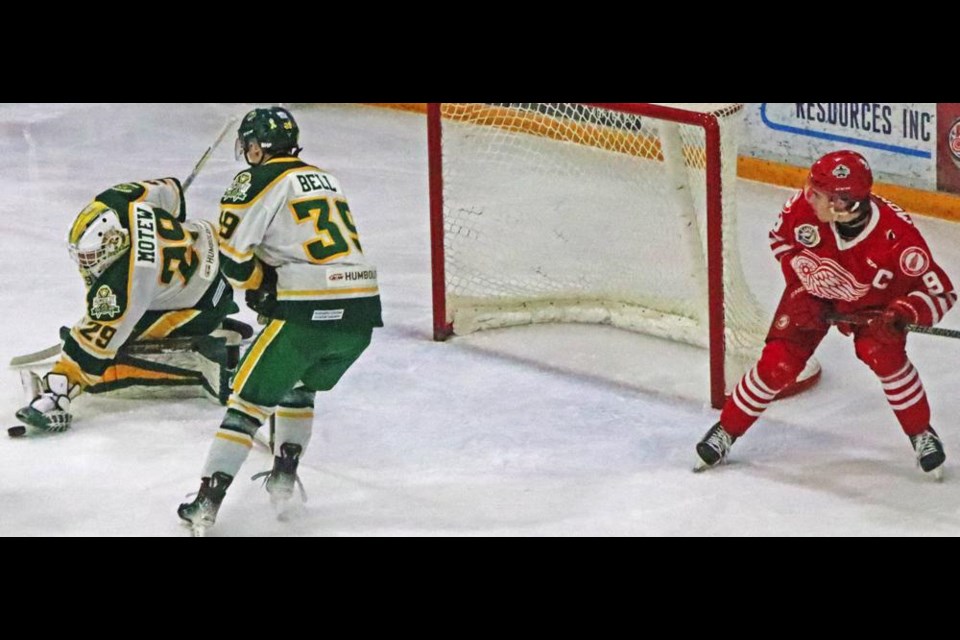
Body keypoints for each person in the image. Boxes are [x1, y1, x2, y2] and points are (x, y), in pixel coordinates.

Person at [177, 106, 383, 535]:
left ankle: (205, 504)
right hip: (362, 311)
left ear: (255, 147)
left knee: (246, 405)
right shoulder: (326, 177)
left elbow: (234, 260)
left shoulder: (255, 179)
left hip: (307, 309)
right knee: (298, 386)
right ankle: (284, 481)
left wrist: (260, 281)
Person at [695, 150, 957, 477]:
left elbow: (941, 292)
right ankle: (726, 430)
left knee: (882, 354)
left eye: (820, 194)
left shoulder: (898, 240)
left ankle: (921, 434)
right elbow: (781, 240)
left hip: (872, 307)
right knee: (778, 363)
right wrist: (802, 282)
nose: (809, 197)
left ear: (844, 205)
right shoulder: (801, 211)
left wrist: (906, 311)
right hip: (812, 292)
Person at [15, 178, 241, 434]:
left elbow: (93, 350)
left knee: (115, 351)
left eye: (90, 258)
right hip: (210, 248)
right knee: (125, 317)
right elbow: (172, 192)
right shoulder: (117, 201)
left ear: (114, 243)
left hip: (204, 304)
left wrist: (60, 387)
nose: (85, 265)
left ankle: (202, 365)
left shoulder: (128, 280)